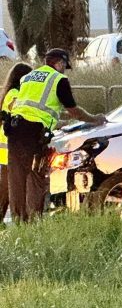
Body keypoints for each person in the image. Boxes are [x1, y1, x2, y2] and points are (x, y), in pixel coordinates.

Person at [6, 48, 106, 222]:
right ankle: (33, 220)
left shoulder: (27, 77)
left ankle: (18, 220)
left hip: (15, 131)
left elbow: (33, 106)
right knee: (37, 176)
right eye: (64, 66)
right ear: (59, 63)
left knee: (16, 178)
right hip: (34, 133)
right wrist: (95, 119)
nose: (64, 70)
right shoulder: (59, 79)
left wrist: (60, 122)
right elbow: (74, 111)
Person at [0, 63, 33, 223]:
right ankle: (20, 221)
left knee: (7, 189)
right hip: (10, 148)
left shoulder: (10, 92)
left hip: (8, 149)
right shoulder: (14, 94)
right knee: (10, 189)